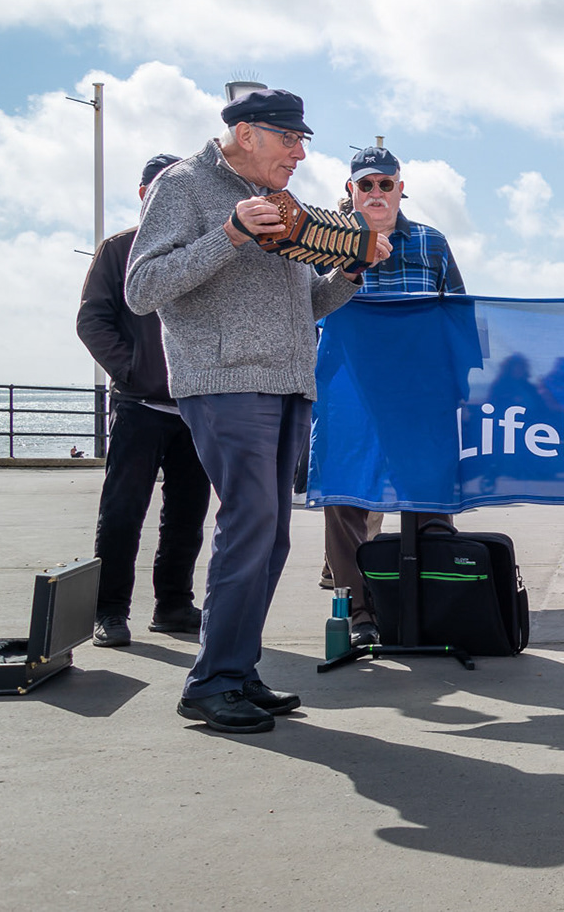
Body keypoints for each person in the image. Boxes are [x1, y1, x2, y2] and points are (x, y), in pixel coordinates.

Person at [126, 89, 387, 734]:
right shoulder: (184, 185)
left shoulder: (285, 206)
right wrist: (232, 234)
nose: (300, 153)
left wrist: (353, 272)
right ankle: (211, 681)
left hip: (287, 382)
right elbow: (141, 290)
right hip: (224, 381)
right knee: (251, 525)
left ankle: (237, 671)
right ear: (247, 133)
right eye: (289, 140)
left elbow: (305, 306)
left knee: (270, 535)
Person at [320, 145, 465, 648]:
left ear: (402, 188)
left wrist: (459, 388)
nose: (377, 192)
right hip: (351, 398)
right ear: (351, 191)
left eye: (386, 184)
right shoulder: (323, 243)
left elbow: (459, 316)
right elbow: (310, 314)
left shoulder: (431, 242)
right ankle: (360, 612)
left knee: (430, 501)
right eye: (367, 185)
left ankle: (433, 604)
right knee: (346, 504)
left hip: (420, 397)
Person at [76, 152, 210, 647]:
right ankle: (109, 611)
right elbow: (92, 320)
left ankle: (173, 604)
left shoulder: (204, 249)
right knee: (122, 512)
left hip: (198, 405)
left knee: (188, 514)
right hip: (139, 406)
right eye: (158, 190)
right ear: (142, 195)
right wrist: (133, 371)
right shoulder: (119, 250)